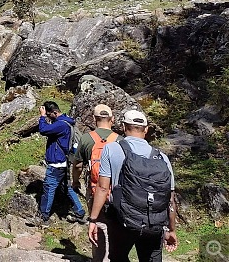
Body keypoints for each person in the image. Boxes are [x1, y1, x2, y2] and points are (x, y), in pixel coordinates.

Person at [88, 110, 177, 262]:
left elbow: (102, 188)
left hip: (122, 222)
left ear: (123, 127)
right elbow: (170, 199)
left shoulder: (111, 149)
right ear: (146, 129)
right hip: (154, 224)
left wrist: (93, 220)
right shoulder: (162, 157)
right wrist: (171, 229)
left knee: (118, 257)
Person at [72, 104, 121, 262]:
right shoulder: (119, 140)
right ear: (112, 119)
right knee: (115, 227)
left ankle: (100, 258)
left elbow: (78, 165)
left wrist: (75, 182)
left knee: (98, 224)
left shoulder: (87, 138)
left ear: (94, 119)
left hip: (94, 188)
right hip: (116, 191)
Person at [37, 101, 86, 225]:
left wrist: (42, 117)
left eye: (49, 115)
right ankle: (79, 212)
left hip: (56, 163)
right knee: (67, 188)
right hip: (64, 162)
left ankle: (44, 217)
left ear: (54, 112)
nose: (48, 117)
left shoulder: (61, 125)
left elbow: (43, 130)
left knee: (49, 188)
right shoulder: (66, 122)